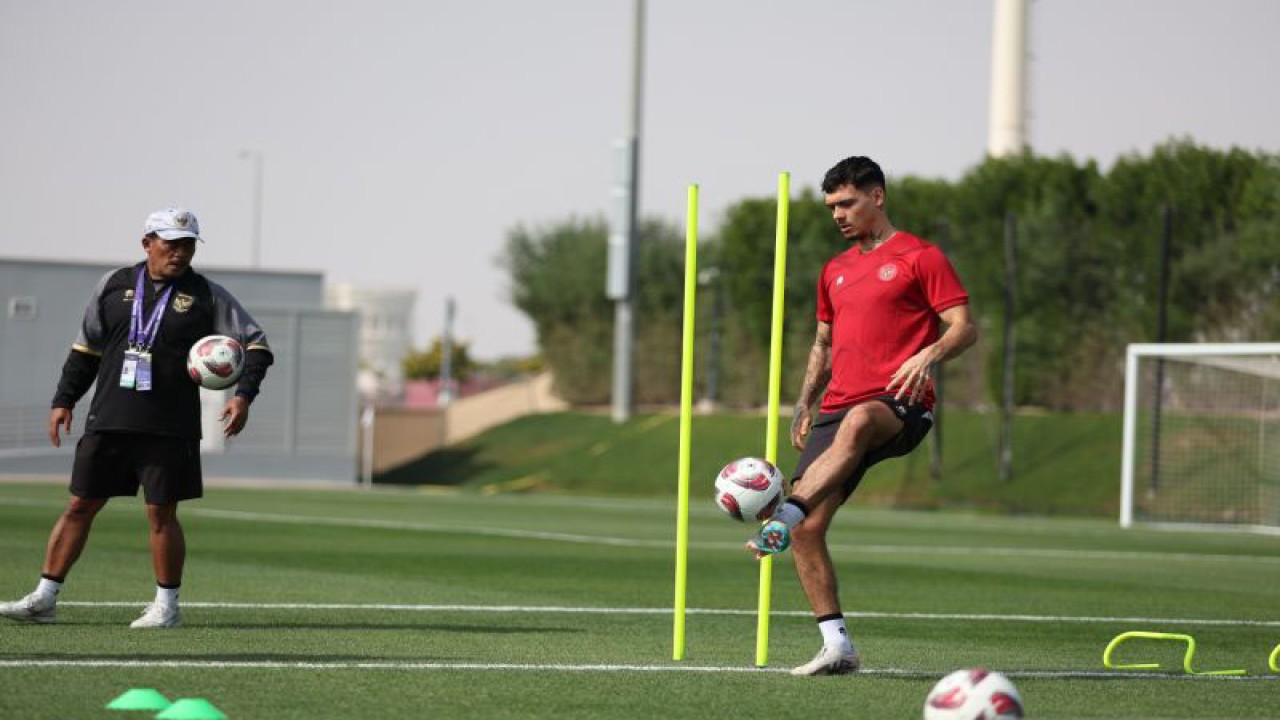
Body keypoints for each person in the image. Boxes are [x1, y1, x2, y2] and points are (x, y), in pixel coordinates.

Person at [746, 157, 977, 675]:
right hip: (836, 406)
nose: (838, 215)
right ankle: (837, 646)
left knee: (851, 433)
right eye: (831, 207)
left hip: (899, 403)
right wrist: (805, 400)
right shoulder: (835, 269)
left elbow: (964, 326)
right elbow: (823, 343)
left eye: (847, 203)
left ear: (878, 196)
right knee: (810, 531)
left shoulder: (922, 256)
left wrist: (929, 355)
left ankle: (785, 513)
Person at [0, 206, 274, 629]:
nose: (179, 253)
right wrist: (64, 400)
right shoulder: (113, 285)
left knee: (161, 513)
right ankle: (44, 597)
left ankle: (167, 607)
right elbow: (85, 348)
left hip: (169, 424)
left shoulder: (207, 295)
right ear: (147, 243)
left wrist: (243, 396)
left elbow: (257, 344)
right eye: (170, 243)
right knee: (79, 505)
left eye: (187, 245)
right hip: (109, 416)